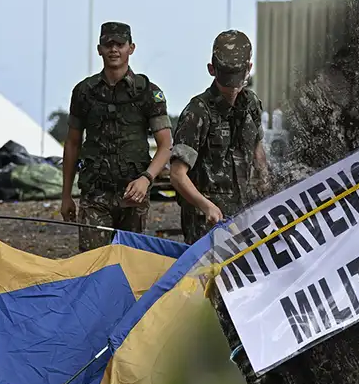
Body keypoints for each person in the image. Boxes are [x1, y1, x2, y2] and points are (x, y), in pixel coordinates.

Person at [60, 21, 173, 251]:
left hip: (133, 195)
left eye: (120, 44)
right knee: (92, 266)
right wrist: (66, 195)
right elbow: (72, 144)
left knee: (130, 267)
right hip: (95, 195)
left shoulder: (149, 93)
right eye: (108, 44)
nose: (114, 49)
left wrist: (146, 179)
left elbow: (166, 145)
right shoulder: (84, 92)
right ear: (99, 49)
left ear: (131, 48)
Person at [169, 30, 270, 245]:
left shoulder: (251, 105)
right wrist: (206, 206)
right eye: (227, 77)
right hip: (206, 225)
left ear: (249, 69)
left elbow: (257, 151)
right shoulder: (198, 112)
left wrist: (266, 185)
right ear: (212, 70)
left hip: (244, 216)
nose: (232, 86)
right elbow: (177, 175)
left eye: (237, 76)